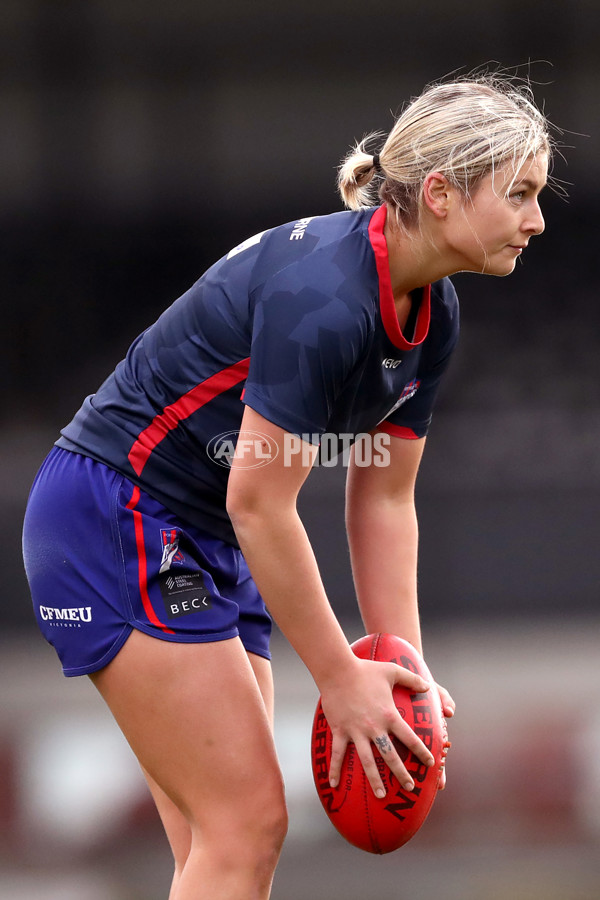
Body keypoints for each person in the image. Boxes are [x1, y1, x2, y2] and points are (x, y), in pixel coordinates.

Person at [23, 70, 551, 899]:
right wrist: (341, 680)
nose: (537, 219)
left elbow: (381, 495)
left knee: (222, 842)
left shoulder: (433, 310)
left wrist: (400, 668)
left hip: (195, 532)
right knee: (247, 825)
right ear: (442, 194)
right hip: (116, 516)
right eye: (519, 193)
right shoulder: (327, 302)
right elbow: (259, 502)